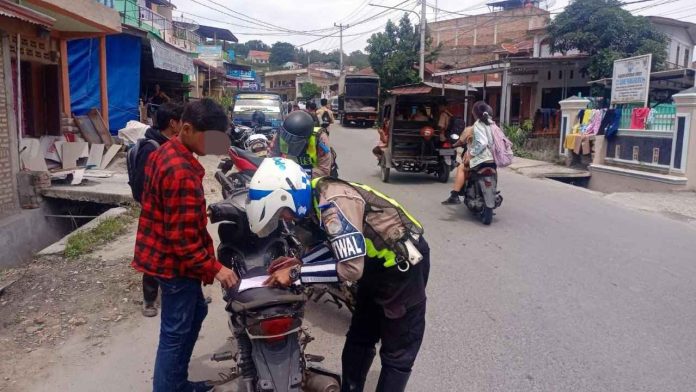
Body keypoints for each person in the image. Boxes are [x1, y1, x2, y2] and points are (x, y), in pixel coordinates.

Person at [246, 158, 430, 392]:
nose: (285, 219)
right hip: (372, 266)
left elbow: (351, 268)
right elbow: (340, 247)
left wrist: (296, 273)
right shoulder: (316, 197)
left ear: (289, 196)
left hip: (401, 268)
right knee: (361, 335)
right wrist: (301, 261)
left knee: (398, 350)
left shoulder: (333, 203)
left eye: (282, 213)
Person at [132, 99, 239, 392]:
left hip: (164, 254)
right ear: (188, 128)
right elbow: (182, 241)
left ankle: (176, 383)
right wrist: (216, 269)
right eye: (212, 138)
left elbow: (170, 213)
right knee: (175, 333)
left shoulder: (166, 150)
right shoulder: (180, 171)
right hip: (173, 264)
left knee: (196, 313)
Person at [129, 102, 184, 317]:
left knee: (181, 254)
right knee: (155, 255)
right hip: (158, 212)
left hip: (174, 211)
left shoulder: (170, 144)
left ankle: (186, 294)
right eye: (182, 121)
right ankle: (149, 300)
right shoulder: (151, 148)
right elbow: (144, 186)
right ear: (173, 123)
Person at [442, 101, 496, 205]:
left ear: (475, 114)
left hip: (478, 158)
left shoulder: (472, 128)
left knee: (461, 167)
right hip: (492, 159)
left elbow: (462, 142)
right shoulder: (494, 127)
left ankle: (455, 195)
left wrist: (468, 153)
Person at [269, 110, 334, 178]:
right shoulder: (280, 134)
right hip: (285, 174)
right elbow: (272, 158)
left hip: (311, 176)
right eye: (287, 136)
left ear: (306, 139)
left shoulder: (320, 138)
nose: (290, 141)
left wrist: (297, 173)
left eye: (295, 140)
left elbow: (324, 171)